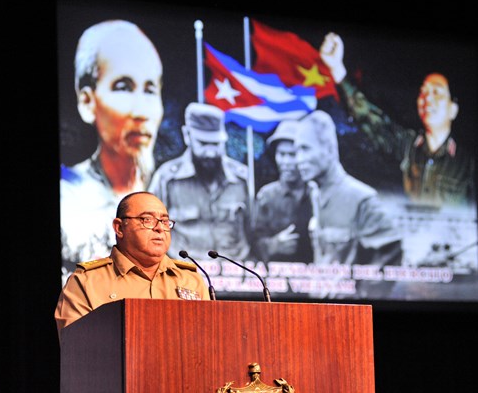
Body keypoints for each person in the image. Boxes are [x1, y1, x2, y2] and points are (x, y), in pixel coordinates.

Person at [60, 20, 165, 282]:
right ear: (87, 101)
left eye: (150, 89)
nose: (142, 111)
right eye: (123, 87)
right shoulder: (67, 195)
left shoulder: (171, 187)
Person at [319, 32, 474, 207]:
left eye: (436, 92)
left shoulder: (468, 165)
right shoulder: (406, 145)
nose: (427, 98)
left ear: (452, 109)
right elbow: (371, 118)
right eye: (423, 92)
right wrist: (337, 68)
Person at [55, 191, 210, 335]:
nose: (159, 228)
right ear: (119, 227)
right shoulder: (86, 282)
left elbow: (208, 339)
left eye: (164, 221)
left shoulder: (191, 280)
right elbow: (77, 350)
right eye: (147, 220)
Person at [295, 110, 403, 298]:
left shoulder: (361, 199)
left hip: (346, 317)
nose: (299, 160)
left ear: (329, 149)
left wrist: (363, 300)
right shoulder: (315, 194)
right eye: (297, 151)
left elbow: (391, 250)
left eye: (305, 149)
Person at [147, 102, 251, 260]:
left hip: (234, 272)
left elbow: (254, 229)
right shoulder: (166, 179)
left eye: (216, 144)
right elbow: (148, 230)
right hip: (184, 271)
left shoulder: (242, 178)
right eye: (203, 143)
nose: (210, 153)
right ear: (187, 136)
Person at [251, 120, 313, 264]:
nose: (286, 162)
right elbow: (252, 245)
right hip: (278, 277)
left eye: (292, 155)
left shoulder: (317, 194)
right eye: (281, 154)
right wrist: (274, 245)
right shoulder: (267, 196)